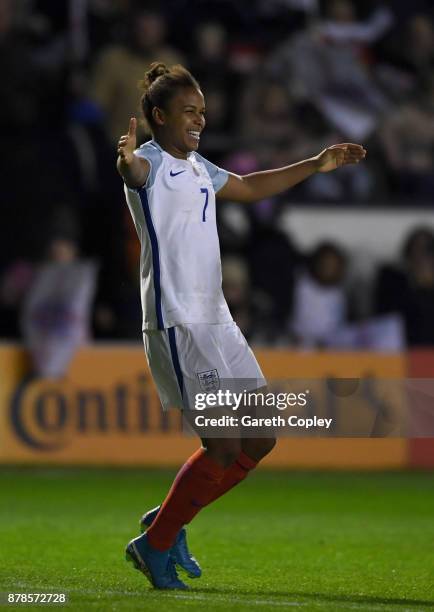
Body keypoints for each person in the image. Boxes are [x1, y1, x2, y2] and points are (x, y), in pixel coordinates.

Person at [116, 62, 366, 590]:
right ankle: (156, 545)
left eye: (203, 111)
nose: (199, 120)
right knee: (223, 445)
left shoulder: (200, 167)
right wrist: (127, 165)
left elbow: (250, 188)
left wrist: (316, 164)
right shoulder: (151, 164)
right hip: (179, 322)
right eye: (189, 111)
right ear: (159, 117)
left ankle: (166, 524)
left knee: (261, 438)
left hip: (219, 320)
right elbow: (133, 175)